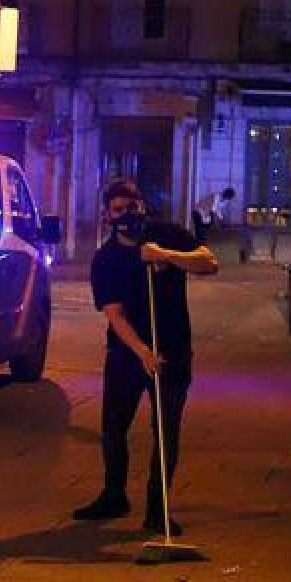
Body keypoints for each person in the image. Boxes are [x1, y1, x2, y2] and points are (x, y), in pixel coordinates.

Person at [73, 179, 220, 535]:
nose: (127, 215)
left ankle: (158, 510)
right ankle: (113, 494)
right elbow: (115, 314)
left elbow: (209, 262)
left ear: (143, 207)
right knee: (113, 427)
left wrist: (167, 256)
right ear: (108, 215)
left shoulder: (165, 234)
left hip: (173, 352)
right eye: (118, 210)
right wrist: (142, 353)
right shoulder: (105, 259)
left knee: (166, 430)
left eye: (132, 207)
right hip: (128, 354)